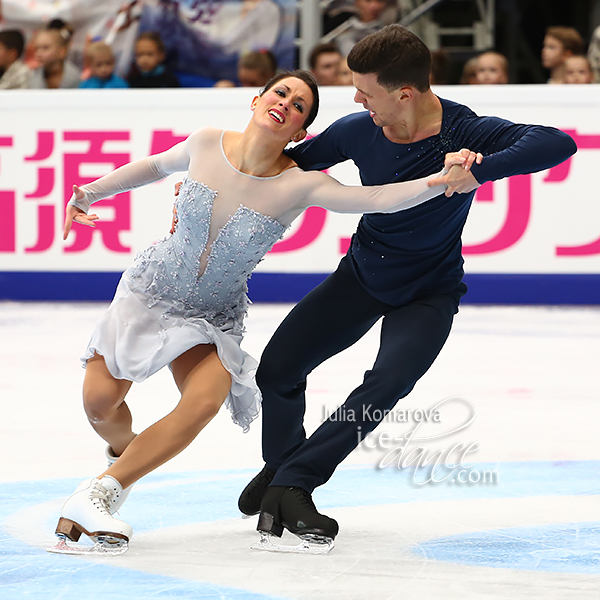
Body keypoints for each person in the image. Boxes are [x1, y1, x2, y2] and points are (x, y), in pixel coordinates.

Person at [50, 69, 473, 556]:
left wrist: (440, 180)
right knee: (100, 407)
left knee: (204, 401)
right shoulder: (206, 142)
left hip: (211, 317)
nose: (287, 104)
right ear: (256, 101)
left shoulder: (301, 184)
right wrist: (89, 193)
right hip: (148, 293)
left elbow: (375, 199)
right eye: (281, 93)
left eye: (299, 106)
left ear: (300, 132)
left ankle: (102, 491)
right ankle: (126, 457)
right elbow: (154, 167)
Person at [238, 25, 577, 552]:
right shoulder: (356, 130)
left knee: (387, 382)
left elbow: (557, 142)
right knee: (278, 369)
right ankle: (282, 470)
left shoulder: (465, 131)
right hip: (362, 275)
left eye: (365, 91)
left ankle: (293, 483)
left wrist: (480, 173)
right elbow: (288, 168)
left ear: (405, 93)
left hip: (430, 290)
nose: (355, 100)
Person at [27, 23, 81, 89]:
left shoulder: (77, 79)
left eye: (45, 48)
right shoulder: (32, 78)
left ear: (62, 51)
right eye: (37, 48)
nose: (38, 53)